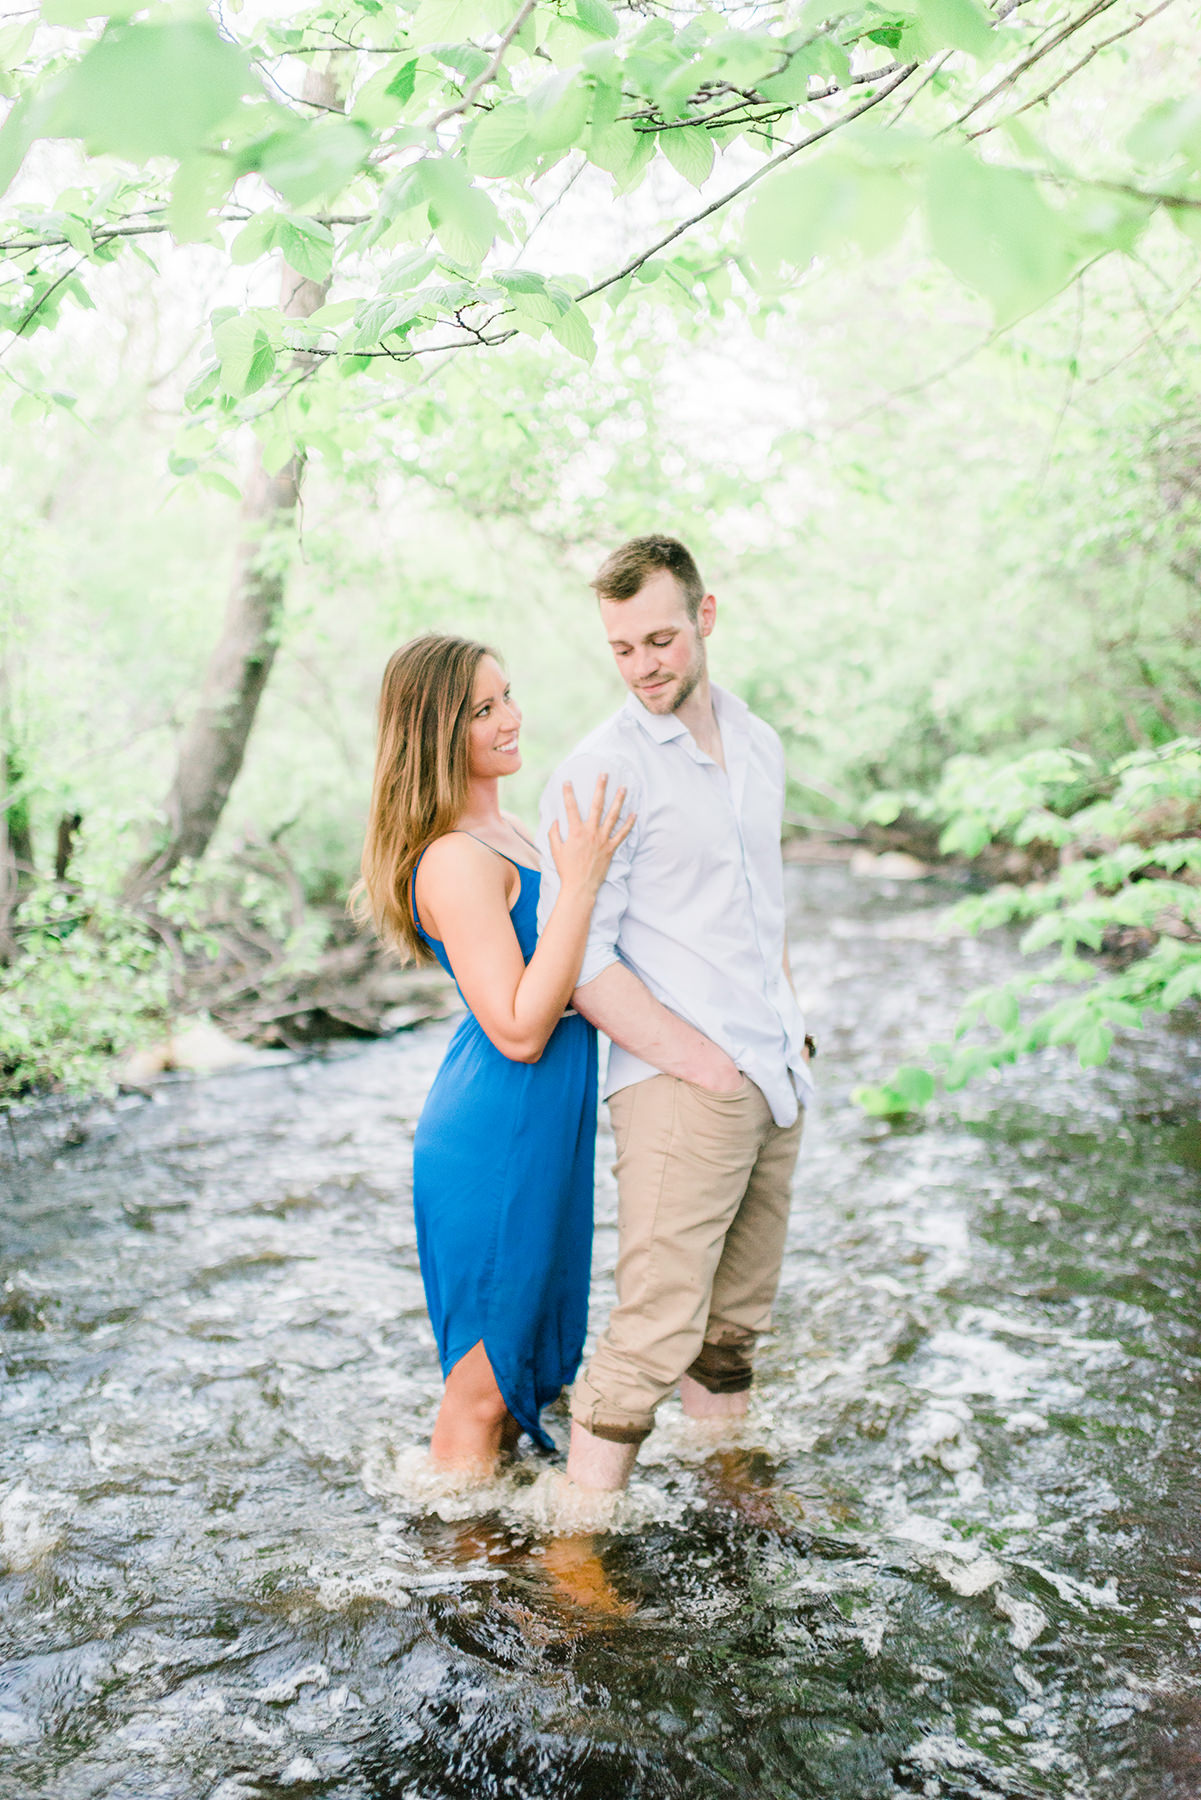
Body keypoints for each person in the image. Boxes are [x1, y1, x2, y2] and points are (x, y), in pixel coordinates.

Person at [536, 535, 814, 1493]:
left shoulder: (760, 742)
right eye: (621, 648)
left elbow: (761, 905)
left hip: (773, 1069)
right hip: (680, 1083)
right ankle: (577, 1549)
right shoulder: (597, 772)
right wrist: (698, 1062)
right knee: (652, 1329)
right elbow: (579, 960)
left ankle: (726, 1500)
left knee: (733, 1327)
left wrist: (786, 1032)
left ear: (704, 615)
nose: (642, 665)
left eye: (658, 638)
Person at [356, 634, 633, 1474]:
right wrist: (579, 882)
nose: (512, 719)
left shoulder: (511, 828)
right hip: (496, 1128)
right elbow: (518, 1025)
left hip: (546, 1125)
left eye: (508, 696)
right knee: (478, 1392)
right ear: (436, 731)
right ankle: (455, 1582)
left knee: (520, 1370)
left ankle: (494, 1556)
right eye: (484, 710)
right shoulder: (451, 858)